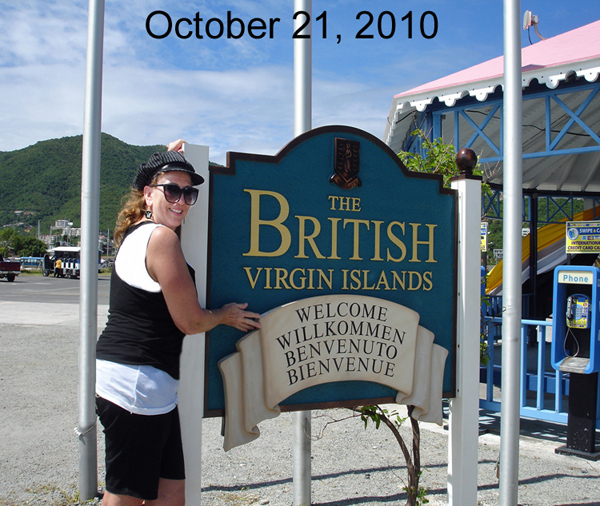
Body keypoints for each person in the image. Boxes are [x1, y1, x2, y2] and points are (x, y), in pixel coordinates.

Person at [95, 139, 261, 506]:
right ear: (148, 194)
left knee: (171, 493)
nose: (181, 201)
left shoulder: (140, 233)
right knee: (122, 497)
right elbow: (190, 320)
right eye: (171, 190)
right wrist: (225, 315)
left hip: (150, 388)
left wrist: (167, 162)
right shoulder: (161, 240)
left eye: (188, 194)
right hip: (135, 387)